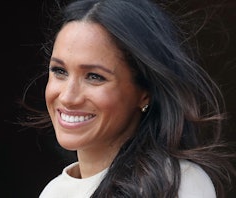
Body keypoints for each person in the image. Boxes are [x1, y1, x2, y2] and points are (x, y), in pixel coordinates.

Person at [20, 0, 235, 197]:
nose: (68, 97)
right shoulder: (54, 192)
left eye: (94, 77)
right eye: (59, 71)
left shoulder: (176, 183)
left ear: (144, 92)